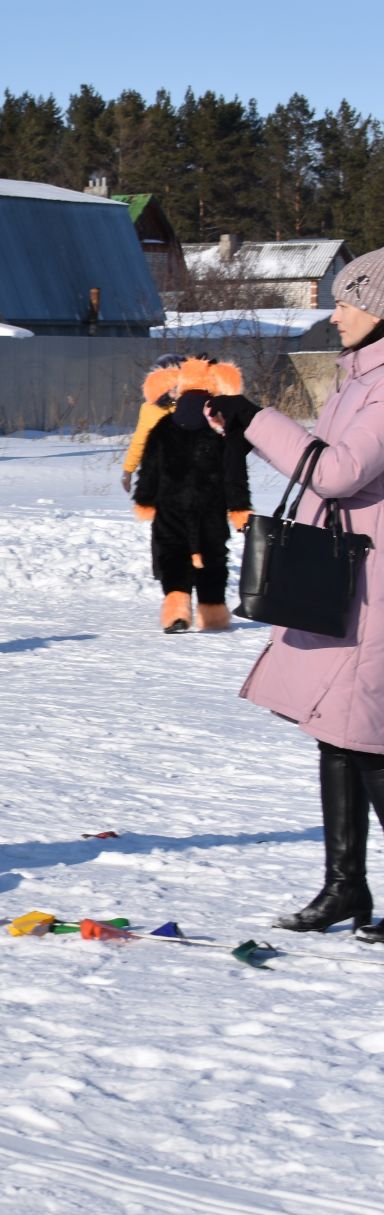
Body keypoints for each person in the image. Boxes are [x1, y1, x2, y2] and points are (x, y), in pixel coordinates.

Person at [206, 247, 384, 940]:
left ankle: (348, 887)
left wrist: (258, 421)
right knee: (336, 735)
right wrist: (250, 430)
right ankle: (344, 888)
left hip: (373, 590)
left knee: (366, 741)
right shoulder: (357, 379)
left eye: (348, 300)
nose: (334, 313)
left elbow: (337, 473)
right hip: (345, 583)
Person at [130, 358, 251, 633]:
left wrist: (145, 500)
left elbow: (149, 469)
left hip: (170, 506)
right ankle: (213, 614)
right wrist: (239, 508)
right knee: (213, 556)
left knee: (172, 554)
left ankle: (176, 612)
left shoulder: (163, 428)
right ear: (214, 385)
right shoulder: (222, 430)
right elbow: (235, 474)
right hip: (211, 507)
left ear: (178, 385)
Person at [119, 353, 187, 494]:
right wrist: (128, 470)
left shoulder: (192, 406)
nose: (176, 387)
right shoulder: (150, 409)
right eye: (171, 381)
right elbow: (139, 441)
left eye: (180, 381)